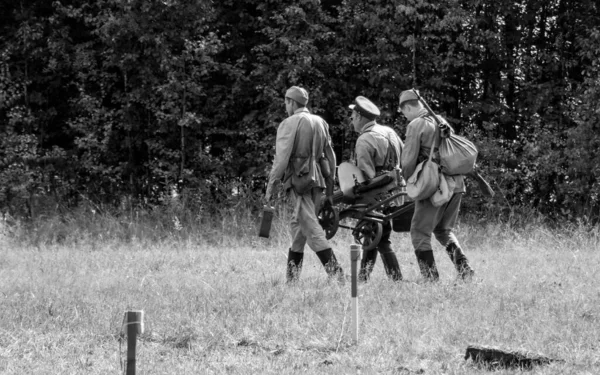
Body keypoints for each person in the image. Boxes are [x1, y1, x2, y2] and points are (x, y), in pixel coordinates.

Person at [265, 86, 344, 283]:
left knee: (309, 224)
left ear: (291, 102)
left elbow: (281, 160)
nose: (285, 106)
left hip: (299, 180)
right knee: (298, 226)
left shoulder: (289, 123)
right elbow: (330, 155)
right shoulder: (321, 122)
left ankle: (339, 276)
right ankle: (292, 282)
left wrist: (271, 186)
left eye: (286, 102)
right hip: (317, 179)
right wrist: (330, 183)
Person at [398, 89, 475, 281]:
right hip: (457, 184)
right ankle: (465, 270)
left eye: (404, 112)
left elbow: (408, 161)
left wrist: (411, 183)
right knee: (442, 230)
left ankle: (431, 279)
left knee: (419, 232)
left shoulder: (416, 125)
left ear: (408, 107)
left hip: (435, 187)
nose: (405, 116)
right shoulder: (441, 121)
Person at [348, 96, 404, 282]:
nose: (351, 119)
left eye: (353, 115)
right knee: (372, 234)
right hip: (396, 192)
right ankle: (363, 278)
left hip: (376, 195)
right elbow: (404, 158)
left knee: (380, 237)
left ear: (360, 117)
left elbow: (366, 176)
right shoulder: (390, 132)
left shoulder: (365, 139)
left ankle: (396, 279)